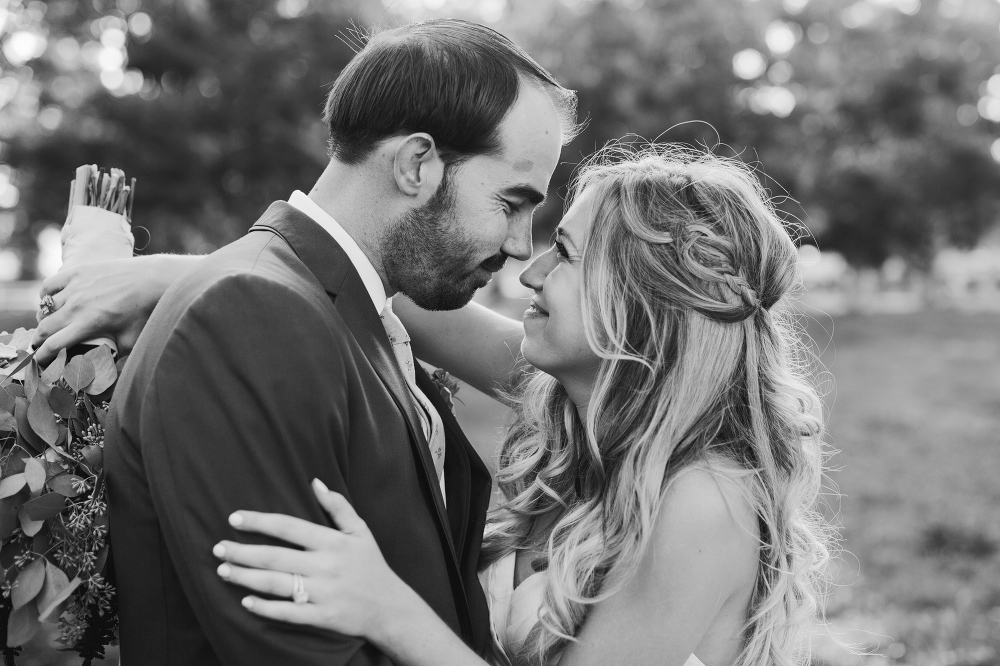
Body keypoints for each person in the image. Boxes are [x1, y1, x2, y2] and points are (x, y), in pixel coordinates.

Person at [35, 145, 833, 665]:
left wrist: (388, 608)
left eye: (566, 253)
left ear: (645, 303)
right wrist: (164, 273)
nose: (527, 272)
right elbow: (350, 283)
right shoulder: (581, 398)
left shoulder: (706, 500)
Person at [32, 19, 578, 666]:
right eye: (512, 202)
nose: (521, 245)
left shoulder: (341, 310)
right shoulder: (250, 316)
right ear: (416, 164)